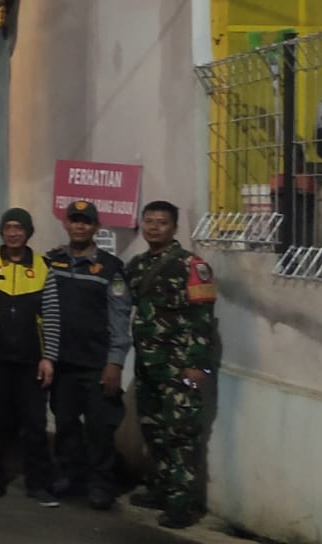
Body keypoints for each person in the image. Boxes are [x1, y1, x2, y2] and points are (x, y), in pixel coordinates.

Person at [123, 200, 218, 530]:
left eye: (161, 222)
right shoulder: (137, 265)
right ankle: (161, 490)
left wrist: (198, 367)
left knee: (182, 434)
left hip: (183, 370)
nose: (154, 227)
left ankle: (182, 506)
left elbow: (203, 319)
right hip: (149, 366)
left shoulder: (192, 266)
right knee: (154, 430)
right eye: (149, 221)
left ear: (174, 228)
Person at [0, 207, 61, 507]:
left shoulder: (43, 266)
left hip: (31, 361)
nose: (13, 233)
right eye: (8, 227)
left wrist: (49, 358)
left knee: (34, 425)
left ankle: (38, 484)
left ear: (28, 232)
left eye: (19, 228)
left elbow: (52, 315)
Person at [45, 200, 132, 510]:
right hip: (62, 363)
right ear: (66, 224)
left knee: (99, 429)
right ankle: (70, 476)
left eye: (86, 221)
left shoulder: (111, 268)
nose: (79, 226)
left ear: (96, 227)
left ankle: (101, 484)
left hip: (97, 364)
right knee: (65, 424)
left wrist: (115, 363)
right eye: (74, 220)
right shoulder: (51, 262)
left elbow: (119, 317)